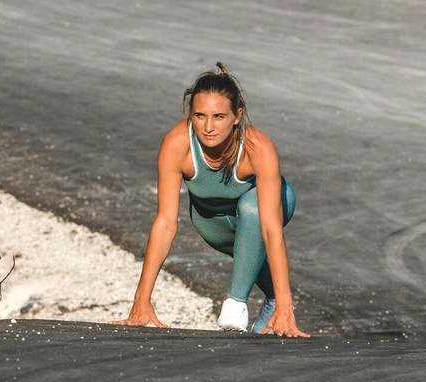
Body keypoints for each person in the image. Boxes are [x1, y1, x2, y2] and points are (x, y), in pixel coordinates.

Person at [113, 62, 308, 338]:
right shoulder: (177, 144)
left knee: (250, 209)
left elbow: (270, 230)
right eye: (200, 116)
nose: (208, 127)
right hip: (212, 222)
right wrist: (141, 301)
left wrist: (289, 309)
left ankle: (236, 304)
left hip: (266, 209)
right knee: (248, 253)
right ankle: (273, 301)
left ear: (237, 116)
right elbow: (165, 223)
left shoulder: (258, 148)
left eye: (219, 117)